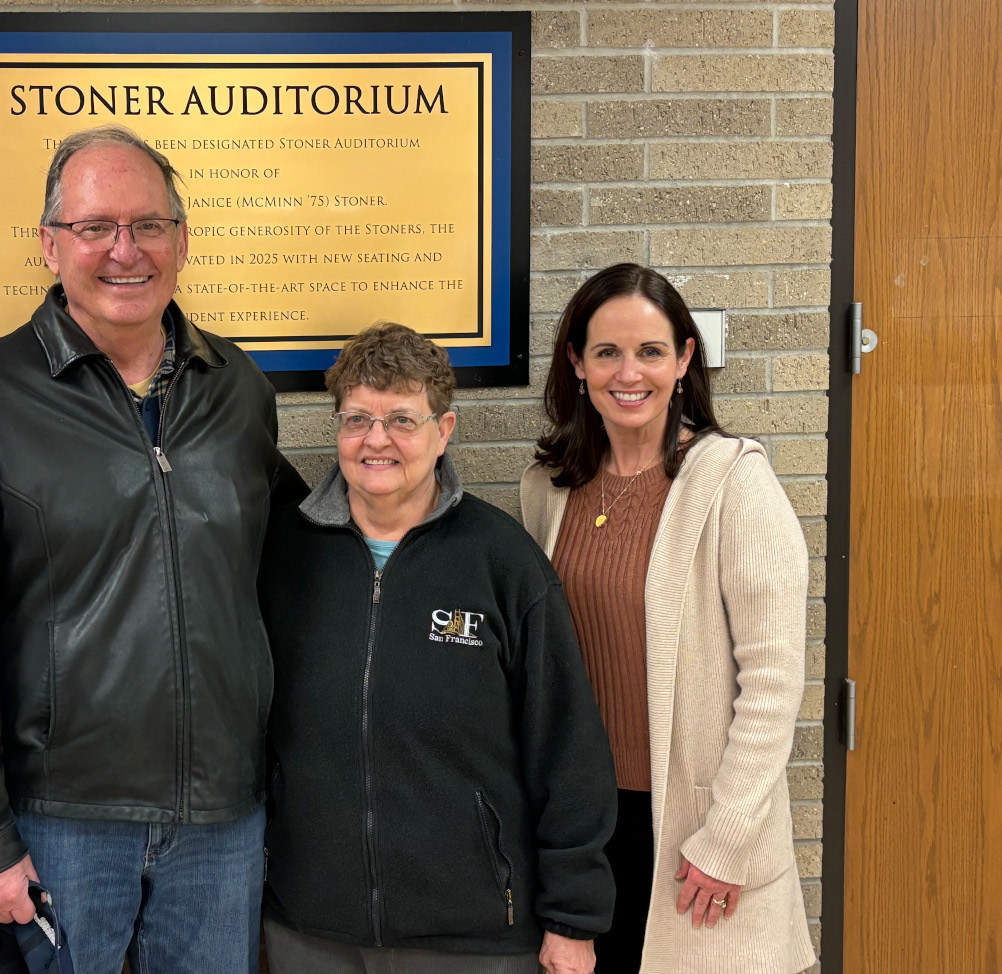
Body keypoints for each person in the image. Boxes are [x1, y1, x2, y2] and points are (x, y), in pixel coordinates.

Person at [0, 124, 299, 974]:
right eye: (94, 227)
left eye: (149, 225)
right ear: (50, 244)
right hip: (57, 822)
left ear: (182, 240)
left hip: (223, 821)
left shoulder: (237, 390)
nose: (126, 250)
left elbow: (283, 575)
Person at [259, 323, 618, 974]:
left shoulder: (502, 565)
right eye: (357, 418)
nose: (376, 440)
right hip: (308, 930)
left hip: (474, 936)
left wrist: (573, 917)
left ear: (443, 429)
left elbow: (568, 752)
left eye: (401, 418)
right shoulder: (281, 558)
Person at [519, 264, 816, 973]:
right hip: (585, 829)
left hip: (695, 831)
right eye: (607, 352)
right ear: (576, 364)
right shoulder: (546, 489)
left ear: (684, 360)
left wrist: (728, 836)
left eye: (651, 351)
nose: (630, 373)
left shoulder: (735, 483)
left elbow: (773, 684)